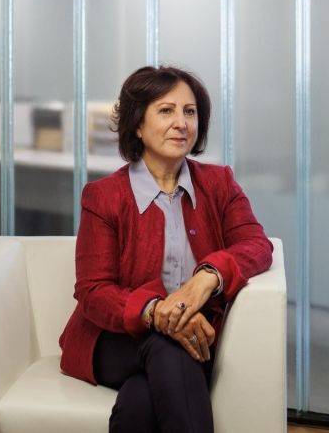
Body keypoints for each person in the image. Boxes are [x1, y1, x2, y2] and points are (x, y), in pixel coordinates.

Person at [59, 65, 273, 433]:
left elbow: (257, 245)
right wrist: (156, 312)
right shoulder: (104, 197)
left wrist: (205, 279)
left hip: (193, 338)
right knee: (169, 345)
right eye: (166, 110)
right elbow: (93, 291)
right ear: (138, 125)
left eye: (190, 112)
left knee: (140, 403)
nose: (181, 123)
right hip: (115, 340)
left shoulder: (219, 183)